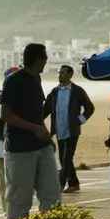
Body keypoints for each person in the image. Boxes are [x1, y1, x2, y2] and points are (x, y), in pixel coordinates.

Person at [1, 44, 59, 219]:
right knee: (20, 199)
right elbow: (5, 114)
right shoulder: (13, 80)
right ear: (37, 59)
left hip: (42, 146)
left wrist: (47, 137)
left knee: (51, 194)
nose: (46, 62)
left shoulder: (36, 80)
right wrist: (33, 128)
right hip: (20, 149)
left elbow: (37, 113)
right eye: (45, 58)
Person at [43, 64, 96, 193]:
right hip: (58, 130)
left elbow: (90, 108)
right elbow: (45, 111)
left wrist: (79, 121)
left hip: (72, 130)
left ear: (70, 75)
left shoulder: (77, 91)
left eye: (62, 73)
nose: (59, 75)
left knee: (67, 158)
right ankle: (74, 183)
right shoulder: (54, 92)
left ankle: (59, 184)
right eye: (59, 72)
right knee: (63, 158)